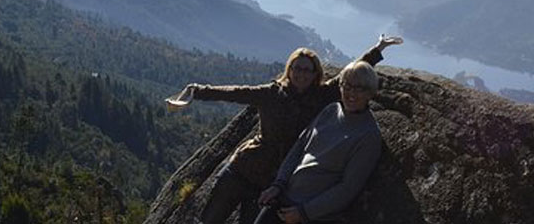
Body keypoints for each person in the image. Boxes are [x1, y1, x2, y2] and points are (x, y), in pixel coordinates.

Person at [165, 35, 401, 224]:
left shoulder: (322, 97)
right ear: (289, 70)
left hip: (269, 184)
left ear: (315, 74)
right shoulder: (270, 93)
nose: (301, 74)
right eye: (297, 68)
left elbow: (353, 77)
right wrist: (196, 91)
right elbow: (235, 93)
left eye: (307, 70)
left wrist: (377, 49)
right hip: (241, 170)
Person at [254, 60, 382, 224]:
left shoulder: (367, 135)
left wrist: (304, 213)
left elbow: (348, 188)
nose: (351, 93)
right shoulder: (331, 110)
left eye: (359, 88)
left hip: (310, 215)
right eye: (347, 86)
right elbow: (299, 147)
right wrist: (278, 185)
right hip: (284, 198)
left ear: (370, 92)